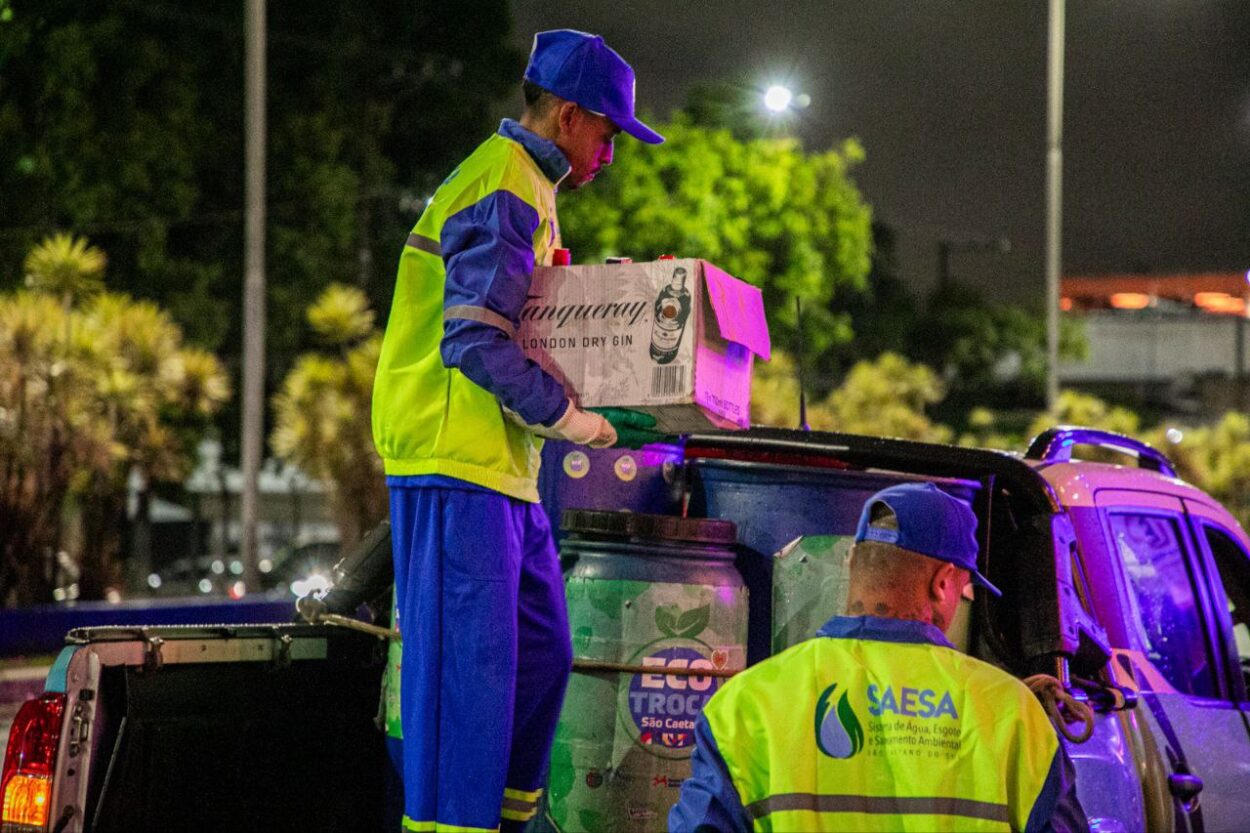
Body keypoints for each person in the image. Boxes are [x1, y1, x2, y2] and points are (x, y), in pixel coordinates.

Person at [370, 28, 665, 833]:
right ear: (569, 116)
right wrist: (583, 423)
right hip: (452, 459)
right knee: (468, 685)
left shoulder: (529, 187)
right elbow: (471, 340)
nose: (612, 153)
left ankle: (502, 820)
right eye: (609, 133)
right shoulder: (503, 183)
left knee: (539, 660)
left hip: (500, 466)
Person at [669, 482, 1088, 832]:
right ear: (943, 584)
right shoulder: (1012, 713)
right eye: (964, 588)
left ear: (853, 565)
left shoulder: (744, 706)